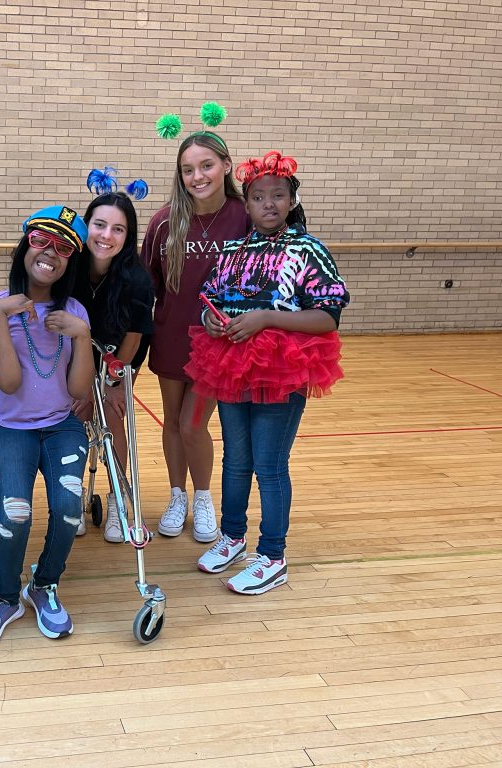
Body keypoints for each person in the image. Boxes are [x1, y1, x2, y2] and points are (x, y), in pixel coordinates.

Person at [187, 151, 349, 594]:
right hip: (230, 364)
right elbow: (209, 302)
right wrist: (212, 321)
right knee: (235, 459)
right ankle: (233, 536)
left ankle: (273, 555)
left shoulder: (308, 249)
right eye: (259, 197)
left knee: (270, 465)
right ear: (248, 203)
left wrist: (266, 319)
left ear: (291, 200)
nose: (269, 204)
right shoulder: (235, 249)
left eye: (278, 196)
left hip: (282, 368)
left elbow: (328, 316)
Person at [0, 206, 94, 647]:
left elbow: (80, 389)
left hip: (62, 427)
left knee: (69, 508)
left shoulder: (74, 310)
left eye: (62, 247)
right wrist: (2, 316)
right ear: (26, 245)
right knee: (15, 510)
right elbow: (8, 380)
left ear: (69, 261)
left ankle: (43, 584)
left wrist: (82, 336)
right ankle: (6, 597)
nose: (49, 252)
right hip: (11, 428)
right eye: (42, 240)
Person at [142, 127, 251, 543]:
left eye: (206, 165)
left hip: (217, 344)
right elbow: (146, 284)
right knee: (171, 421)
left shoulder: (245, 216)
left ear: (226, 165)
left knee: (192, 424)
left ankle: (203, 497)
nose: (198, 176)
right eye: (188, 169)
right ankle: (176, 496)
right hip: (170, 336)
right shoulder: (164, 221)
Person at [71, 169, 154, 543]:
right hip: (71, 356)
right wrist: (81, 389)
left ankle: (121, 497)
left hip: (117, 357)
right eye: (99, 225)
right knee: (70, 419)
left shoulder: (137, 278)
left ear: (128, 236)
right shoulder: (68, 267)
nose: (106, 236)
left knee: (112, 422)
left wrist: (115, 386)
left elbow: (134, 337)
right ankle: (70, 499)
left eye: (117, 229)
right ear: (86, 225)